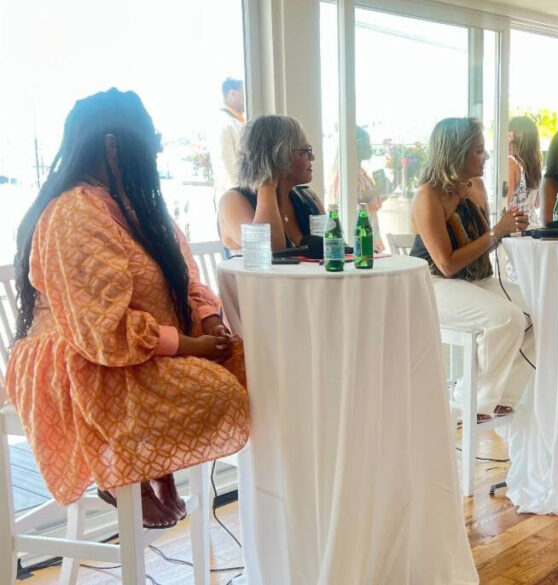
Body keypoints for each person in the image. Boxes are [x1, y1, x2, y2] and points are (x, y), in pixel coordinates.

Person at [5, 89, 250, 528]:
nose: (156, 148)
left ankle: (157, 465)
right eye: (151, 138)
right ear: (114, 145)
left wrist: (211, 321)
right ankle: (127, 470)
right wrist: (193, 346)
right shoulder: (72, 213)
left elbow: (187, 278)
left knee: (253, 366)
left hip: (139, 347)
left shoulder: (143, 207)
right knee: (221, 392)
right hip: (81, 358)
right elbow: (104, 332)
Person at [409, 118, 532, 419]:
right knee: (507, 318)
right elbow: (447, 264)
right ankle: (470, 396)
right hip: (434, 286)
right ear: (456, 152)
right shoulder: (428, 196)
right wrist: (496, 232)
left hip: (475, 280)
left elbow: (481, 243)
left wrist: (507, 228)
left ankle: (504, 392)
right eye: (479, 150)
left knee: (540, 312)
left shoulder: (475, 187)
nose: (486, 156)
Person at [218, 115, 325, 253]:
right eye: (305, 151)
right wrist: (267, 180)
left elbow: (337, 249)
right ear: (280, 156)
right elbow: (269, 250)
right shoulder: (233, 200)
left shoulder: (309, 198)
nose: (312, 157)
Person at [209, 77, 246, 200]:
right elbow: (227, 168)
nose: (247, 96)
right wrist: (242, 198)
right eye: (244, 91)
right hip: (233, 199)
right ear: (232, 94)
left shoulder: (238, 122)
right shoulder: (222, 123)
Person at [356, 126, 388, 251]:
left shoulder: (361, 172)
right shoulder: (347, 173)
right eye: (366, 142)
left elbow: (370, 200)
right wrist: (378, 188)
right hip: (361, 231)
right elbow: (356, 199)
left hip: (370, 228)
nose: (369, 147)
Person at [507, 116, 542, 223]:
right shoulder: (536, 165)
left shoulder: (511, 163)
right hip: (533, 224)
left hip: (517, 225)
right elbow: (537, 204)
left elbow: (506, 202)